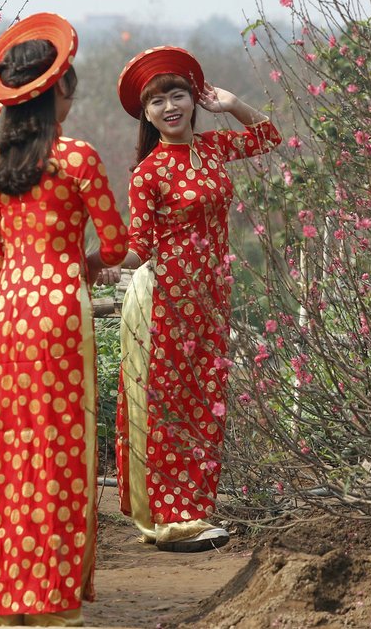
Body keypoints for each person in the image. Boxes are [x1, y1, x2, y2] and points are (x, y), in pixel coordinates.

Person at [0, 13, 128, 626]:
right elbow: (115, 244)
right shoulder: (79, 159)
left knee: (7, 451)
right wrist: (76, 267)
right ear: (57, 91)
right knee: (60, 451)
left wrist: (18, 279)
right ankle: (53, 601)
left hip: (9, 313)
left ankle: (4, 599)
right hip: (61, 310)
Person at [98, 45, 281, 552]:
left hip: (211, 299)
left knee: (206, 403)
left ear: (193, 100)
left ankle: (197, 511)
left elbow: (270, 136)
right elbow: (138, 248)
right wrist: (91, 261)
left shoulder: (213, 147)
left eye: (177, 95)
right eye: (157, 102)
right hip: (165, 301)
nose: (170, 107)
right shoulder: (149, 173)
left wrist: (234, 103)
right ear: (146, 113)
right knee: (169, 406)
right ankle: (172, 520)